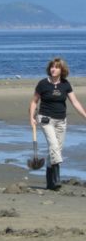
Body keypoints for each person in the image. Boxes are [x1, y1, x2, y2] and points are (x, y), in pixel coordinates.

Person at [29, 57, 86, 190]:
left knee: (55, 151)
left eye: (56, 67)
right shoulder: (43, 84)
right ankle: (57, 180)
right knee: (54, 147)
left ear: (62, 70)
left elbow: (75, 102)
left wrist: (85, 115)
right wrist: (31, 118)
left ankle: (50, 184)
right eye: (52, 67)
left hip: (61, 121)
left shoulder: (65, 84)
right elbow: (34, 102)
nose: (53, 69)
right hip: (45, 120)